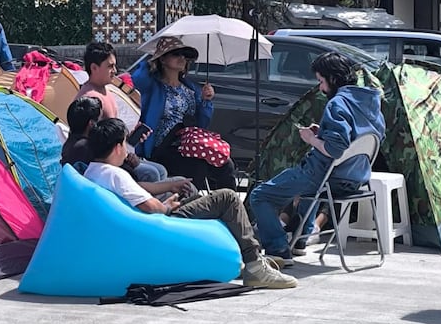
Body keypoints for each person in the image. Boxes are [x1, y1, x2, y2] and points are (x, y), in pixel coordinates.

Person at [83, 118, 297, 290]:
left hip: (144, 222)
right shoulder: (116, 175)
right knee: (227, 197)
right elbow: (149, 207)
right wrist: (167, 205)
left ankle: (243, 258)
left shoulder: (94, 171)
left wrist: (172, 186)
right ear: (118, 146)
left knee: (193, 194)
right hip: (159, 223)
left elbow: (137, 190)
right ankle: (254, 264)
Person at [249, 51, 386, 260]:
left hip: (325, 175)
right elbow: (359, 140)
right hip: (355, 178)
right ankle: (299, 239)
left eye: (321, 81)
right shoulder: (370, 101)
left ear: (332, 78)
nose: (321, 88)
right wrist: (322, 132)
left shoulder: (337, 103)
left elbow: (335, 149)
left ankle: (277, 249)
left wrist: (311, 139)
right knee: (309, 190)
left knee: (260, 195)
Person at [131, 35, 238, 191]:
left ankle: (229, 205)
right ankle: (192, 206)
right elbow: (137, 79)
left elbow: (202, 124)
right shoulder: (153, 86)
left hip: (187, 145)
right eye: (175, 54)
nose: (182, 58)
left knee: (226, 164)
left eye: (184, 55)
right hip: (161, 147)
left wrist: (206, 101)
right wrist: (152, 58)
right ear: (162, 59)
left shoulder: (191, 89)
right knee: (197, 165)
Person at [74, 41, 167, 183]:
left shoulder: (105, 90)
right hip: (105, 163)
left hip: (119, 152)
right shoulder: (91, 99)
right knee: (152, 173)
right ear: (94, 67)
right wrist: (126, 158)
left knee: (161, 170)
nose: (115, 71)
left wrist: (131, 138)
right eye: (110, 66)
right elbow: (96, 145)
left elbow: (111, 133)